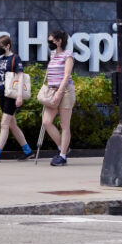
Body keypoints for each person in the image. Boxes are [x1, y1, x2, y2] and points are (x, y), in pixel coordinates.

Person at [0, 35, 33, 162]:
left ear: (8, 46)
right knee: (12, 125)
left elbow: (20, 77)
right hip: (2, 94)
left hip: (11, 96)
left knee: (4, 124)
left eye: (0, 47)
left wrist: (19, 96)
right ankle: (27, 151)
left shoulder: (15, 58)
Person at [41, 30, 76, 167]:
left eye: (51, 41)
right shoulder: (52, 54)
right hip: (52, 90)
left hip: (65, 91)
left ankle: (62, 155)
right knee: (46, 121)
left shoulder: (68, 55)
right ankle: (63, 147)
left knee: (64, 124)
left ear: (59, 41)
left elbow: (67, 75)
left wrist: (59, 93)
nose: (49, 43)